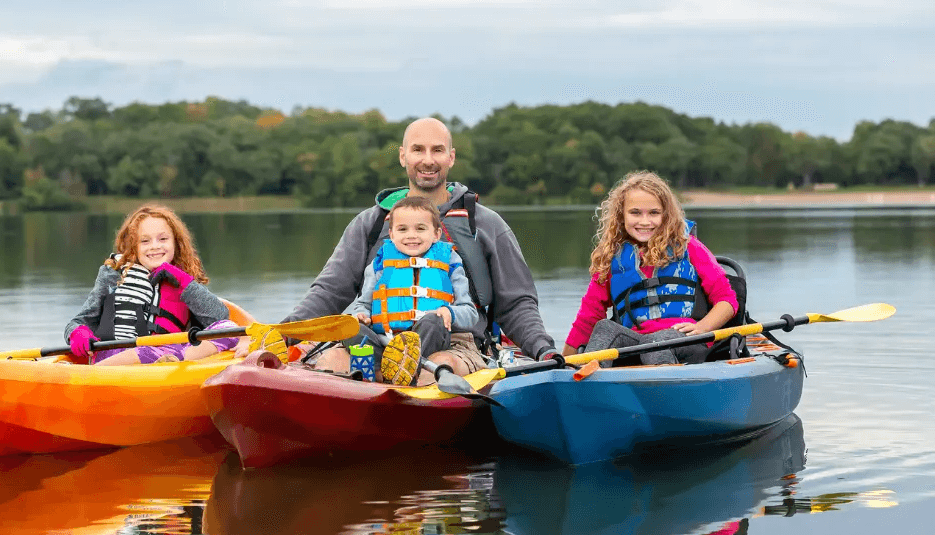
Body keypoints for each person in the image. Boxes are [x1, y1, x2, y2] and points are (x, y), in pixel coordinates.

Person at [248, 117, 558, 385]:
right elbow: (329, 293)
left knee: (432, 369)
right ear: (402, 157)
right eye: (417, 150)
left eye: (437, 150)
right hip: (380, 340)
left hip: (456, 344)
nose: (427, 160)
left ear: (451, 158)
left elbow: (517, 304)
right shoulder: (370, 224)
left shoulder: (486, 225)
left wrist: (544, 349)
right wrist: (282, 333)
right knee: (335, 364)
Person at [563, 171, 738, 366]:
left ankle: (664, 391)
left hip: (685, 339)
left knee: (656, 342)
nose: (645, 222)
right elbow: (587, 319)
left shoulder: (690, 247)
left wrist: (704, 327)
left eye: (654, 213)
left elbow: (727, 300)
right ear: (621, 215)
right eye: (635, 212)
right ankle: (581, 380)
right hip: (637, 342)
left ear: (666, 215)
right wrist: (562, 364)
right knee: (605, 328)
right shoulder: (611, 259)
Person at [64, 203, 238, 365]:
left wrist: (183, 281)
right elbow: (79, 321)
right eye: (145, 241)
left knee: (228, 328)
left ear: (175, 243)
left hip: (167, 359)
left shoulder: (184, 281)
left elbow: (219, 317)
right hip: (115, 358)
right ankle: (101, 371)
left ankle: (171, 360)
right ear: (133, 246)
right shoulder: (113, 274)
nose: (155, 246)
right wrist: (77, 332)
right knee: (144, 352)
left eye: (163, 239)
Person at [350, 196, 480, 385]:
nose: (411, 235)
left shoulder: (450, 261)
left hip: (428, 339)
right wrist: (359, 314)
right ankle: (393, 368)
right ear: (392, 234)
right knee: (353, 329)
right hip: (385, 341)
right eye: (402, 229)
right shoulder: (379, 263)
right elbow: (363, 304)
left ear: (436, 234)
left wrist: (449, 313)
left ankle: (406, 369)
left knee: (433, 321)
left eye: (420, 228)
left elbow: (470, 314)